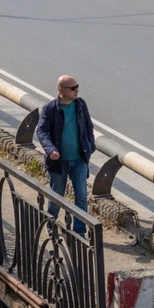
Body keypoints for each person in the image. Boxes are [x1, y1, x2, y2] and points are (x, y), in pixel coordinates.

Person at [36, 75, 96, 237]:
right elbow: (41, 131)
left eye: (77, 87)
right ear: (61, 90)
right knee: (57, 196)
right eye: (73, 88)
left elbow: (88, 126)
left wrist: (90, 146)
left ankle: (79, 231)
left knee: (82, 196)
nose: (77, 91)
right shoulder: (50, 109)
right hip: (59, 162)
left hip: (79, 160)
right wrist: (50, 149)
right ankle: (51, 222)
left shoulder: (80, 105)